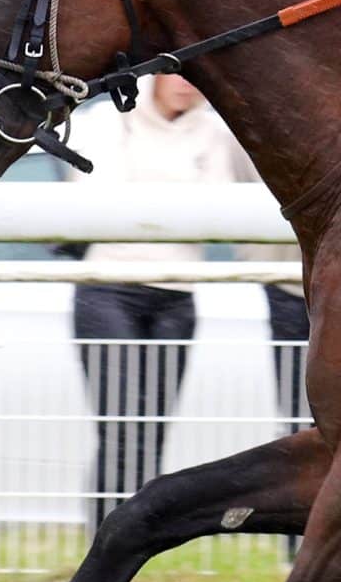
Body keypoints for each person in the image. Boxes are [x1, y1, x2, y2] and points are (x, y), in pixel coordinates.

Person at [68, 75, 254, 531]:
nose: (187, 86)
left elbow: (219, 210)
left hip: (177, 292)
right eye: (177, 74)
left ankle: (138, 534)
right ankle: (104, 533)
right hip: (109, 287)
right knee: (121, 425)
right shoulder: (108, 121)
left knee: (152, 425)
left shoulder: (214, 132)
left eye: (196, 77)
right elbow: (100, 196)